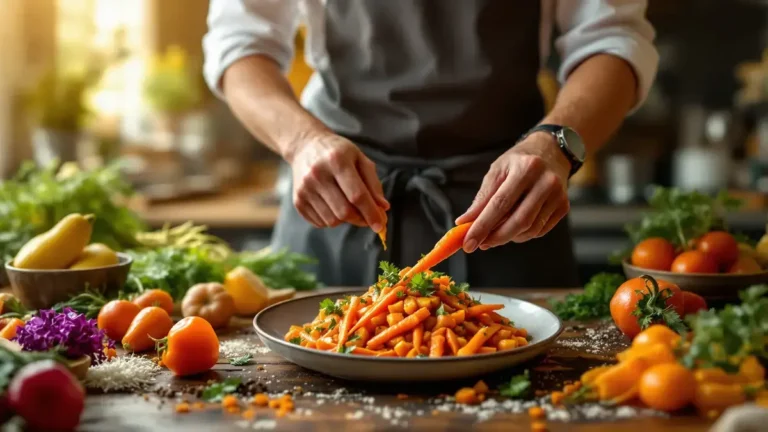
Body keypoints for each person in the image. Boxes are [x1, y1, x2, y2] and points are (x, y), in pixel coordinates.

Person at [203, 0, 659, 288]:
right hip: (338, 198)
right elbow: (240, 44)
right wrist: (302, 141)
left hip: (509, 207)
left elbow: (612, 38)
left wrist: (554, 145)